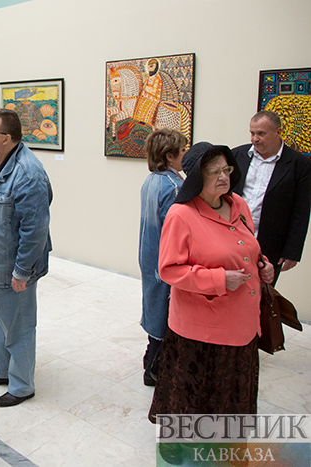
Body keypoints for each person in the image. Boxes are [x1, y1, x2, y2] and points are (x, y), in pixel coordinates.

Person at [148, 142, 275, 423]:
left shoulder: (238, 204)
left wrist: (263, 265)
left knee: (231, 404)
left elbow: (246, 247)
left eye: (226, 170)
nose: (223, 177)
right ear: (196, 177)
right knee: (200, 407)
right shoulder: (182, 214)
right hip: (203, 333)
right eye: (214, 172)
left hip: (243, 326)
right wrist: (219, 279)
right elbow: (169, 270)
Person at [0, 109, 52, 407]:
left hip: (11, 267)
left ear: (6, 138)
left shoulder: (29, 174)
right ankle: (3, 370)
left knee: (19, 326)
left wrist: (22, 271)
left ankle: (21, 385)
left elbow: (35, 229)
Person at [232, 110, 311, 285]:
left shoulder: (299, 164)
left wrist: (292, 251)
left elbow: (301, 211)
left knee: (262, 294)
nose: (255, 139)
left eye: (261, 133)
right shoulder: (236, 156)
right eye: (252, 133)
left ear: (278, 132)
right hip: (233, 239)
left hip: (270, 244)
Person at [138, 129, 186, 387]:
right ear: (169, 156)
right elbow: (176, 229)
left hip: (149, 256)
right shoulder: (173, 186)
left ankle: (151, 357)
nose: (185, 155)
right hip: (164, 260)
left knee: (154, 306)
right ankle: (155, 367)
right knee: (165, 311)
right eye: (182, 151)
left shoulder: (151, 180)